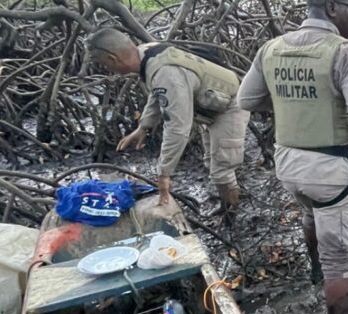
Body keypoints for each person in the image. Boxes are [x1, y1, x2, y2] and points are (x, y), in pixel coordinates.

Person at [237, 0, 348, 314]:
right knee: (339, 265)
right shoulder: (346, 53)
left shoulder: (271, 48)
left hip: (288, 166)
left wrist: (292, 106)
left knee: (309, 213)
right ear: (332, 8)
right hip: (329, 171)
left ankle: (314, 272)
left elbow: (246, 99)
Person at [87, 28, 249, 217]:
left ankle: (232, 215)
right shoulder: (146, 53)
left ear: (112, 59)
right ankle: (227, 204)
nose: (108, 70)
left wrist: (164, 174)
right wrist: (143, 126)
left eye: (104, 64)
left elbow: (178, 129)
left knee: (222, 168)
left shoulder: (165, 72)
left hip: (231, 104)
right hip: (211, 104)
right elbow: (159, 95)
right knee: (212, 161)